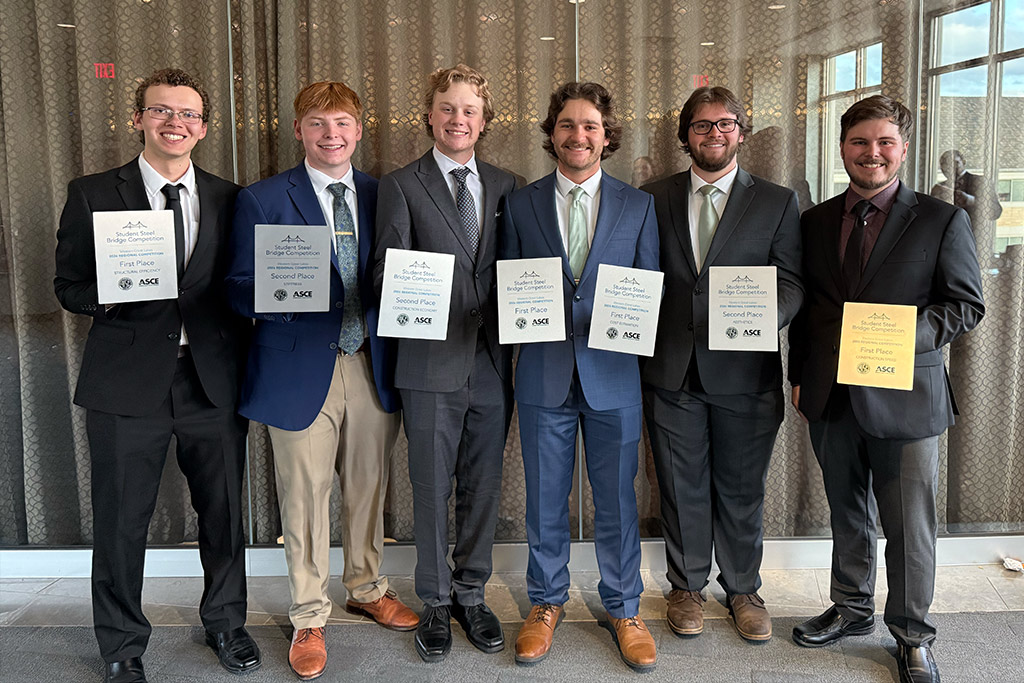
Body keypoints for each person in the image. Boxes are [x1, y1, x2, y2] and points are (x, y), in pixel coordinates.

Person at [54, 68, 259, 683]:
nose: (176, 123)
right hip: (126, 384)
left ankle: (225, 622)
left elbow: (241, 282)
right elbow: (67, 287)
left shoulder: (231, 196)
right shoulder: (92, 191)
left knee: (223, 513)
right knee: (121, 521)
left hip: (212, 381)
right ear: (138, 118)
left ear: (203, 127)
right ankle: (121, 643)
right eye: (161, 111)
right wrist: (112, 297)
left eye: (189, 114)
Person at [789, 95, 985, 683]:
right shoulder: (815, 220)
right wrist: (798, 376)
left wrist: (903, 335)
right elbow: (810, 311)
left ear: (903, 149)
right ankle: (851, 609)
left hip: (907, 398)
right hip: (831, 394)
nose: (871, 154)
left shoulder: (941, 218)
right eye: (859, 142)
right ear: (842, 147)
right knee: (847, 512)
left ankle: (912, 633)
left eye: (884, 143)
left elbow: (966, 306)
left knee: (907, 523)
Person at [225, 81, 415, 681]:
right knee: (303, 495)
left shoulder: (385, 194)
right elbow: (234, 284)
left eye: (341, 123)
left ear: (360, 131)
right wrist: (280, 293)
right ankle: (309, 613)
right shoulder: (262, 199)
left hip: (372, 362)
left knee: (368, 485)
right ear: (299, 131)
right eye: (317, 123)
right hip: (298, 364)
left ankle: (367, 584)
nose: (330, 134)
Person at [501, 82, 660, 672]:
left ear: (606, 135)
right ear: (552, 134)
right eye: (567, 125)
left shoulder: (638, 206)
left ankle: (624, 607)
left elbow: (648, 289)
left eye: (590, 125)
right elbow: (512, 285)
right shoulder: (520, 203)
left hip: (614, 373)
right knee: (545, 496)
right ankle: (546, 603)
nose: (578, 135)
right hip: (543, 370)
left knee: (618, 497)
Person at [640, 86, 803, 643]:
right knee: (681, 485)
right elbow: (637, 278)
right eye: (702, 125)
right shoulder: (650, 197)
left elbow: (792, 282)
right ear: (685, 135)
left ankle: (742, 589)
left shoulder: (778, 201)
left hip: (745, 372)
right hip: (671, 371)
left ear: (742, 130)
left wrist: (759, 316)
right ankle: (685, 587)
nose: (714, 134)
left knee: (740, 487)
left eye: (725, 124)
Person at [373, 64, 516, 663]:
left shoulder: (512, 185)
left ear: (484, 121)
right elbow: (383, 274)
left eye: (469, 110)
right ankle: (433, 598)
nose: (459, 119)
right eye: (447, 109)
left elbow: (522, 268)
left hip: (497, 362)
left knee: (483, 487)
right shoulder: (401, 185)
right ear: (429, 116)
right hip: (431, 359)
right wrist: (428, 293)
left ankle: (470, 592)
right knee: (430, 486)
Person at [929, 149, 1002, 227]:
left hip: (971, 235)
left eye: (955, 163)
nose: (950, 167)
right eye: (945, 164)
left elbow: (995, 211)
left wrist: (969, 200)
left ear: (963, 162)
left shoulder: (980, 182)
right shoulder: (939, 189)